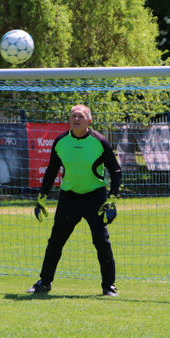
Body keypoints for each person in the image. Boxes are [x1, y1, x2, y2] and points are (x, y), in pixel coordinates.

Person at [28, 104, 123, 296]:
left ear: (89, 120)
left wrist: (112, 198)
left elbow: (116, 170)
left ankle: (108, 286)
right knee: (55, 242)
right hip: (68, 199)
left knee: (101, 242)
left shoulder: (100, 141)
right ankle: (44, 282)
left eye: (80, 116)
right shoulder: (61, 141)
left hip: (95, 198)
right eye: (73, 116)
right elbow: (51, 170)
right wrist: (42, 197)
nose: (76, 119)